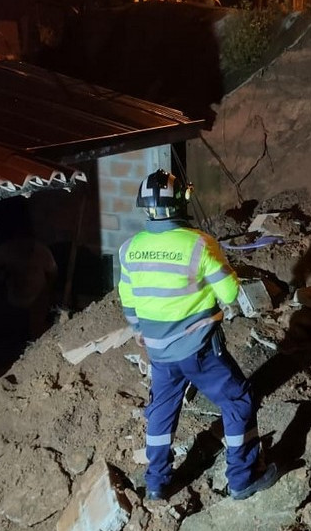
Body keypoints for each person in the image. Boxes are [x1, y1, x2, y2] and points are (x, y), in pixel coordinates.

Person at [118, 169, 277, 501]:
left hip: (159, 351)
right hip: (199, 350)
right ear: (180, 203)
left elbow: (129, 302)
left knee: (162, 411)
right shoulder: (199, 244)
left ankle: (157, 483)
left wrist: (139, 331)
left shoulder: (129, 249)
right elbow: (230, 293)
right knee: (238, 401)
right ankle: (243, 478)